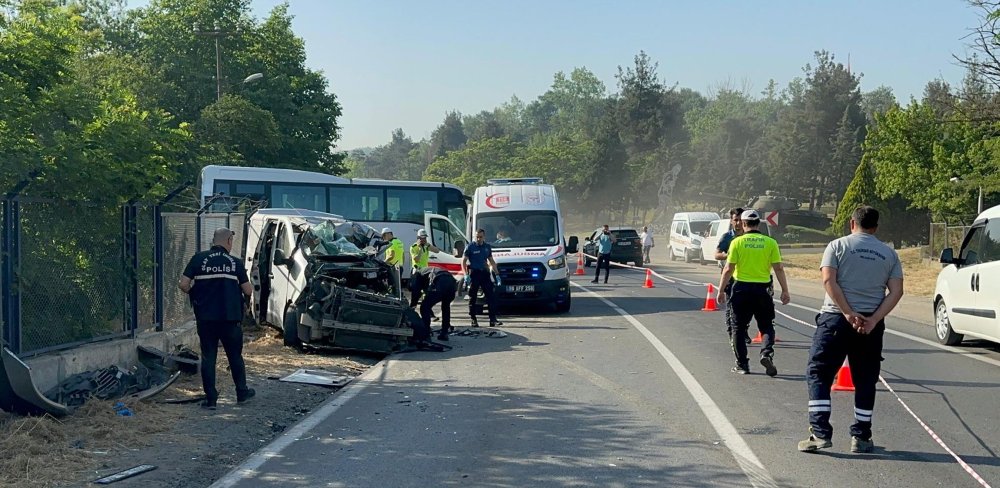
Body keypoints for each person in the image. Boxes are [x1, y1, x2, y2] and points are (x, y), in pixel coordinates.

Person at [798, 206, 903, 454]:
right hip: (869, 325)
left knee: (819, 373)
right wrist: (874, 319)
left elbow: (828, 280)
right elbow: (896, 291)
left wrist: (847, 311)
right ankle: (862, 436)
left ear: (851, 223)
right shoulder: (889, 253)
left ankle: (820, 433)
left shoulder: (837, 246)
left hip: (835, 319)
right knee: (866, 380)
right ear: (875, 227)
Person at [178, 228, 256, 410]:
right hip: (230, 318)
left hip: (206, 318)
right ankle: (242, 393)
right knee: (235, 356)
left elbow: (183, 284)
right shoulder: (235, 262)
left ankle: (211, 399)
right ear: (229, 241)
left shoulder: (198, 259)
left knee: (208, 357)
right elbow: (248, 290)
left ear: (214, 241)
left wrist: (195, 292)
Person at [717, 210, 789, 376]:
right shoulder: (771, 243)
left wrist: (720, 290)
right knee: (766, 326)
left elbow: (728, 269)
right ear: (758, 224)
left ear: (743, 224)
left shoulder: (737, 242)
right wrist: (785, 290)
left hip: (741, 289)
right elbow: (778, 268)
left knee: (738, 328)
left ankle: (742, 364)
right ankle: (766, 353)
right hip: (763, 290)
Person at [715, 208, 751, 346]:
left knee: (747, 308)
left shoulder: (748, 237)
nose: (738, 223)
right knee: (732, 307)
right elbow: (717, 254)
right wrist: (728, 255)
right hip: (730, 277)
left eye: (740, 220)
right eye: (735, 220)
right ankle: (733, 333)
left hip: (746, 277)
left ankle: (743, 331)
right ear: (731, 221)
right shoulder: (727, 237)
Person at [462, 229, 500, 327]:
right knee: (473, 297)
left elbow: (491, 261)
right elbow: (463, 261)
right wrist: (465, 275)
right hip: (474, 273)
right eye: (477, 237)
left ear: (484, 237)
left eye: (480, 237)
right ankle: (473, 319)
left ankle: (493, 319)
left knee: (491, 296)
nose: (478, 239)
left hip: (484, 273)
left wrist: (497, 274)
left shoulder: (487, 247)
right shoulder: (470, 247)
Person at [410, 266, 458, 341]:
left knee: (424, 307)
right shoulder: (427, 271)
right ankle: (444, 333)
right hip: (452, 283)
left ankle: (426, 333)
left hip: (440, 282)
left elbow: (416, 291)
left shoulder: (417, 275)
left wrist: (412, 305)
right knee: (445, 307)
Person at [408, 228, 441, 308]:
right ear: (418, 238)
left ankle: (427, 309)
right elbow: (416, 259)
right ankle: (412, 307)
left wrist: (429, 245)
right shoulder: (413, 247)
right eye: (422, 238)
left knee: (427, 291)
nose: (424, 240)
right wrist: (420, 249)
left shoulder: (426, 246)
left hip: (425, 271)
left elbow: (437, 251)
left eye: (425, 238)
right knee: (415, 292)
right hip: (417, 272)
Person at [380, 227, 404, 294]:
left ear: (388, 234)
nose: (383, 238)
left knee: (392, 286)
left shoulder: (391, 243)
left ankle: (393, 298)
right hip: (399, 267)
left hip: (392, 267)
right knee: (398, 286)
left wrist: (383, 262)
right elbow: (403, 255)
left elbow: (391, 255)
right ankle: (399, 296)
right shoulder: (399, 241)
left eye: (384, 235)